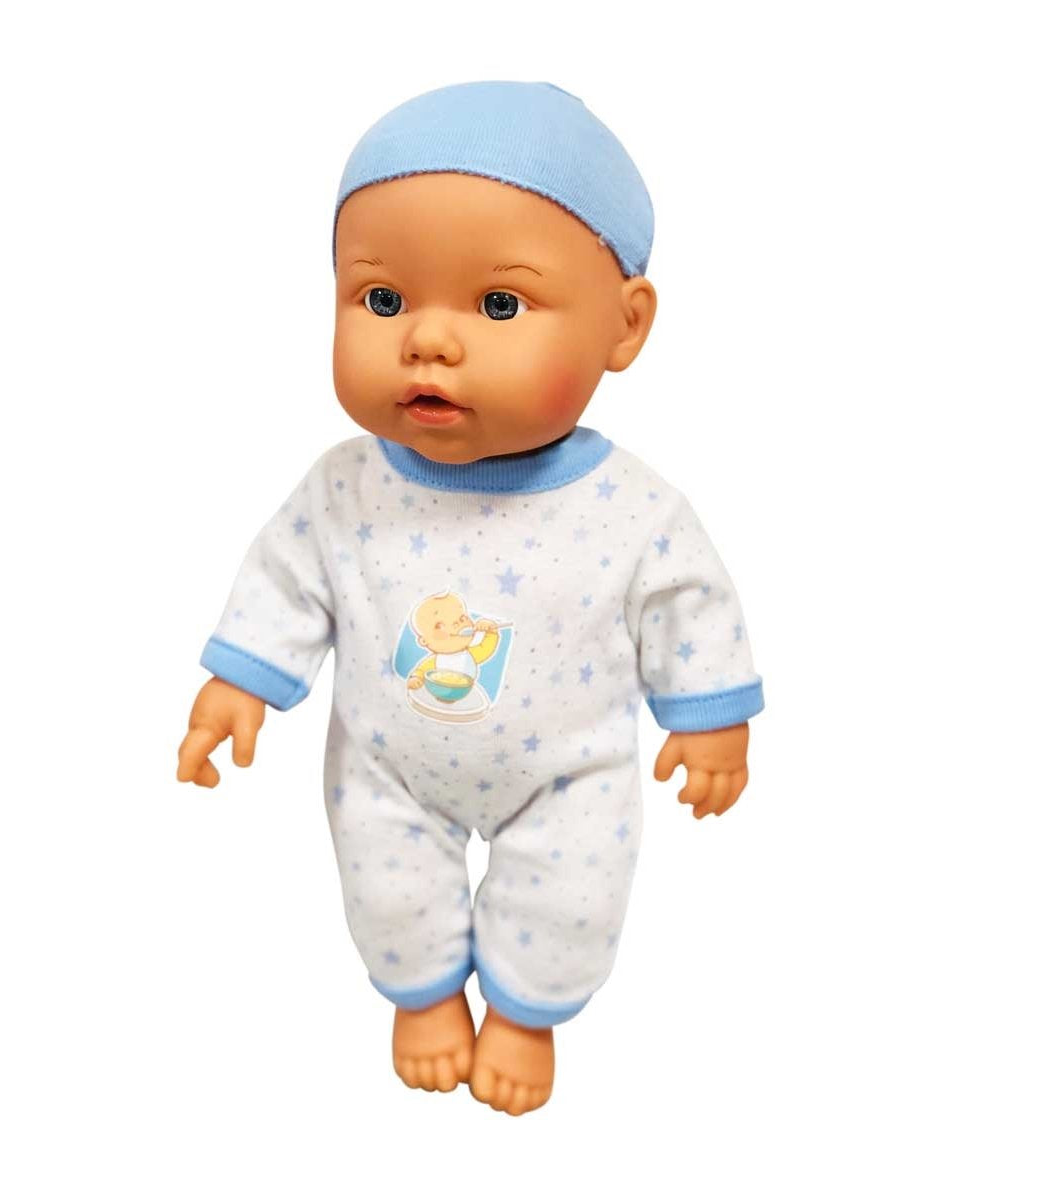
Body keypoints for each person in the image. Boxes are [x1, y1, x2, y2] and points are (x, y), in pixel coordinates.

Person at [177, 80, 764, 1116]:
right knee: (384, 879)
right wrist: (242, 681)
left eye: (499, 306)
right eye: (382, 300)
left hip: (568, 772)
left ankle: (528, 1016)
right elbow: (286, 576)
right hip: (388, 765)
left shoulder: (631, 509)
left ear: (625, 326)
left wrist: (710, 716)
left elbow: (689, 606)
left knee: (572, 892)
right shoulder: (346, 487)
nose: (428, 342)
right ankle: (425, 997)